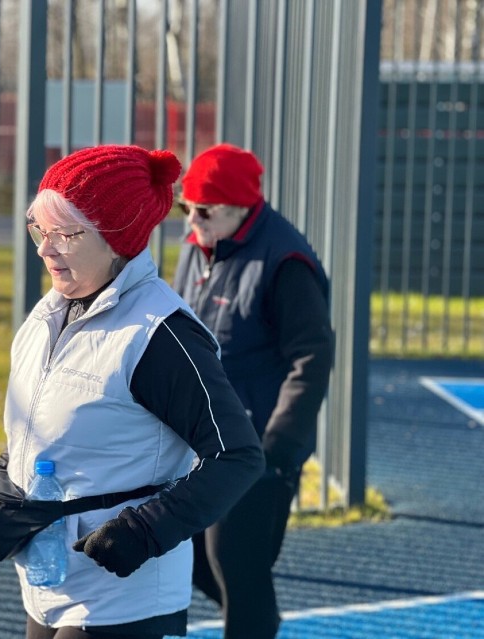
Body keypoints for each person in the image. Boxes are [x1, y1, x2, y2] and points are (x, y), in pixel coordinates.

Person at [0, 144, 265, 639]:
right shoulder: (51, 312)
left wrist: (146, 531)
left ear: (116, 238)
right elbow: (54, 433)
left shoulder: (160, 336)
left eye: (64, 233)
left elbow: (238, 456)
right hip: (48, 582)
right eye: (38, 229)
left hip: (122, 598)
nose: (44, 248)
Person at [172, 143, 335, 639]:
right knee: (189, 554)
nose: (192, 220)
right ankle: (260, 618)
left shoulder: (284, 261)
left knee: (235, 562)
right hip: (203, 440)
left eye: (205, 211)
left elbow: (312, 356)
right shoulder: (200, 243)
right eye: (187, 208)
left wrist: (275, 450)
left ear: (241, 208)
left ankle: (255, 620)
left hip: (255, 445)